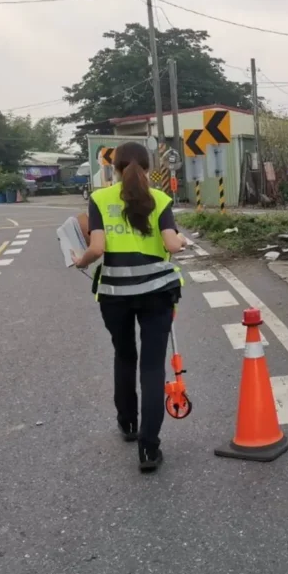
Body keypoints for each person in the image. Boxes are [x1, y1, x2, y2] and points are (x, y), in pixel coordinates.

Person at [70, 141, 187, 472]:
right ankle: (149, 450)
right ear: (149, 169)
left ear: (115, 168)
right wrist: (182, 241)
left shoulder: (100, 199)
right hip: (157, 293)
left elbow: (97, 247)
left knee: (124, 356)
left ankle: (128, 424)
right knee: (152, 367)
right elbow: (171, 244)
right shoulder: (160, 199)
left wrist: (81, 261)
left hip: (114, 294)